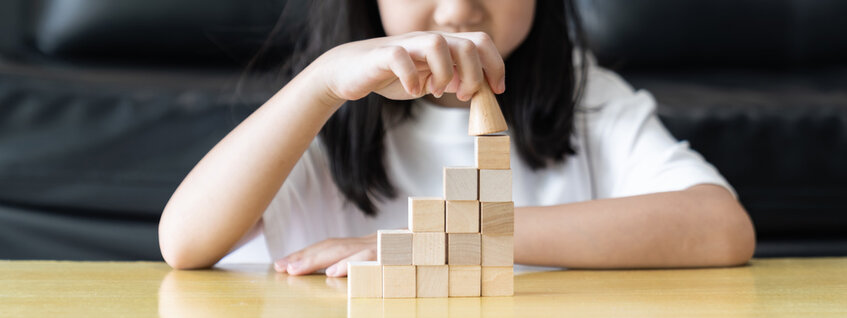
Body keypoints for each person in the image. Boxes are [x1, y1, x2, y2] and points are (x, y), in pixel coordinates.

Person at [158, 0, 755, 275]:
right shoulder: (324, 112)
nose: (457, 9)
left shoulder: (588, 94)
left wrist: (457, 237)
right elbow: (184, 243)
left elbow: (722, 228)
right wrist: (319, 84)